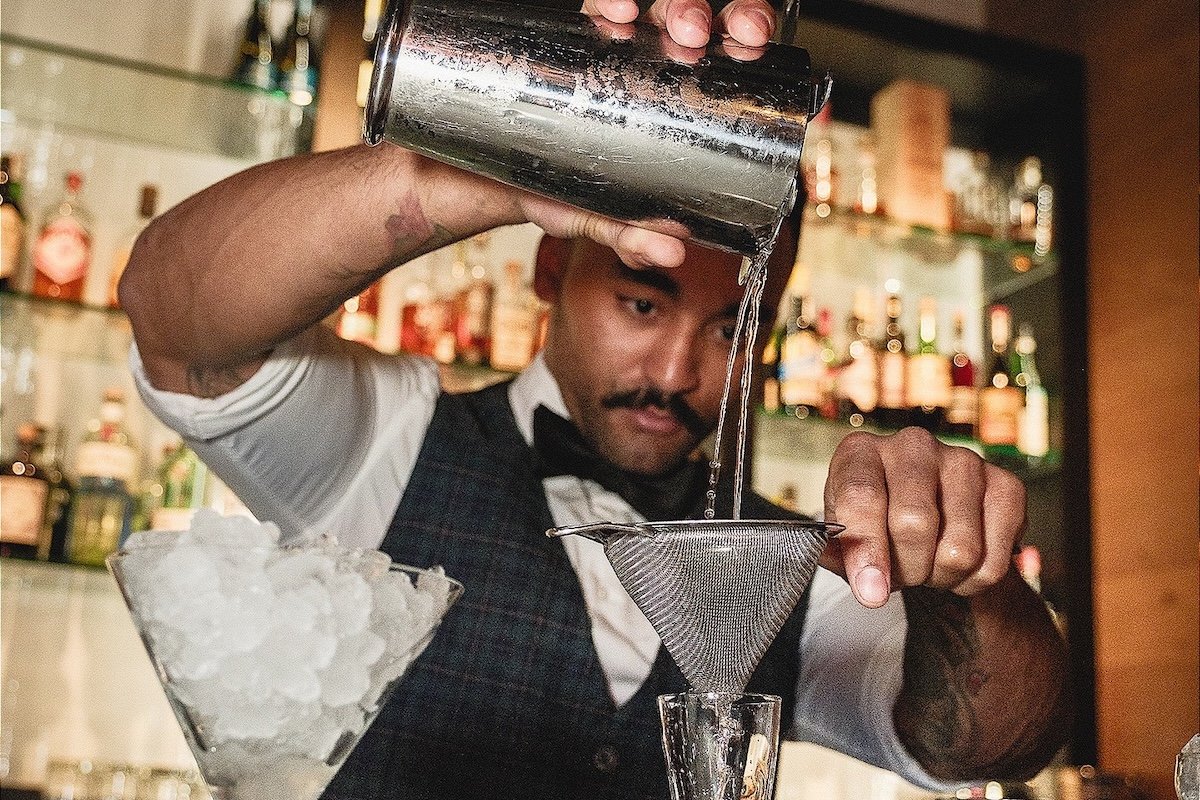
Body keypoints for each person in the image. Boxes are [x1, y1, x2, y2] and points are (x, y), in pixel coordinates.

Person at [119, 0, 1070, 797]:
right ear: (548, 266)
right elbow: (173, 314)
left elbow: (993, 741)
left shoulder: (779, 565)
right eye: (641, 300)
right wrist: (517, 151)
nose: (676, 369)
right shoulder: (393, 440)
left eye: (732, 328)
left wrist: (967, 573)